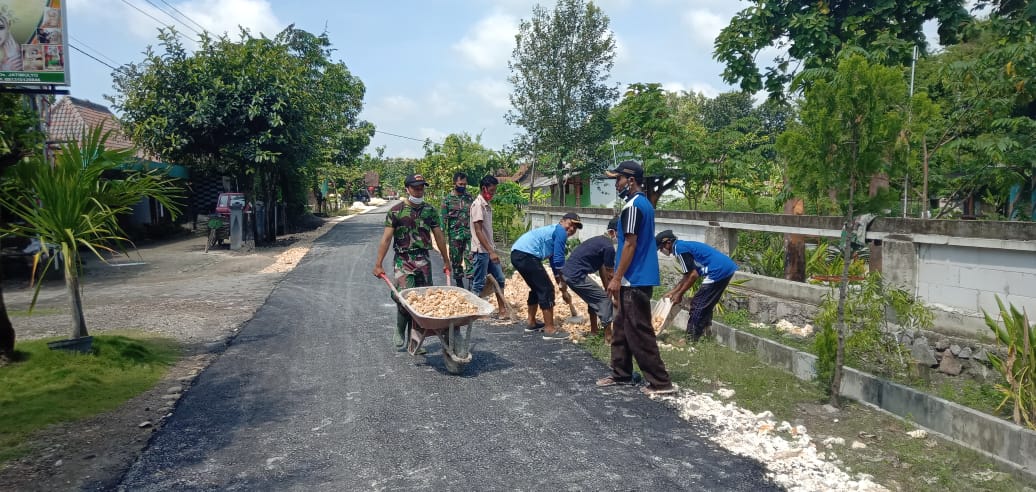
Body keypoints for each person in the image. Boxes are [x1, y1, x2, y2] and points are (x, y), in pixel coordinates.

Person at [596, 160, 677, 396]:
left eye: (618, 179)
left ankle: (660, 382)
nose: (616, 184)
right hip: (636, 277)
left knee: (639, 331)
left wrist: (616, 277)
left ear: (630, 180)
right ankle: (621, 373)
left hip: (635, 278)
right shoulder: (644, 205)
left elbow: (630, 244)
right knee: (621, 328)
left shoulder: (633, 207)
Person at [373, 174, 451, 351]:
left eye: (422, 187)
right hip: (403, 259)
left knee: (423, 299)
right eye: (416, 187)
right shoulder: (396, 211)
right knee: (404, 296)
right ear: (407, 189)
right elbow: (386, 239)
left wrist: (447, 261)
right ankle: (400, 329)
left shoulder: (430, 211)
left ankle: (415, 340)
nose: (419, 190)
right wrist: (378, 263)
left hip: (423, 259)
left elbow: (439, 236)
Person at [509, 212, 582, 340]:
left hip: (518, 254)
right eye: (570, 225)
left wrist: (560, 282)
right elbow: (559, 260)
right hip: (526, 255)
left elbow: (554, 263)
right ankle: (550, 329)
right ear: (562, 221)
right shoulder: (560, 231)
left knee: (537, 288)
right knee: (546, 288)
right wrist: (563, 281)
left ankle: (531, 323)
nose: (571, 229)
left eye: (574, 229)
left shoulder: (555, 232)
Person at [656, 230, 739, 342]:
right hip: (724, 268)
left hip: (717, 271)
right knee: (705, 304)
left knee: (698, 305)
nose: (661, 251)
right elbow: (687, 275)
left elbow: (693, 276)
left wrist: (679, 294)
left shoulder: (679, 249)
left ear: (668, 243)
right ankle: (705, 333)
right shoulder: (682, 246)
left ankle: (691, 339)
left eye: (661, 248)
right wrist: (673, 292)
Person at [559, 216, 618, 342]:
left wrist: (607, 288)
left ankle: (594, 331)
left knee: (595, 298)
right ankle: (608, 336)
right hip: (576, 275)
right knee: (604, 300)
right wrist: (616, 298)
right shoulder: (608, 247)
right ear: (613, 232)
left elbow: (602, 269)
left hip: (569, 274)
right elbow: (611, 275)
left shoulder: (600, 241)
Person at [468, 175, 509, 317]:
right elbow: (478, 231)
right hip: (481, 251)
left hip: (489, 250)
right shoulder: (477, 205)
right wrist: (491, 251)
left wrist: (492, 250)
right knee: (478, 283)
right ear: (484, 188)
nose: (493, 194)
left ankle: (502, 310)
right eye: (491, 191)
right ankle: (472, 312)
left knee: (500, 279)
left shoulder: (486, 205)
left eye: (494, 191)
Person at [440, 171, 474, 288]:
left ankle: (471, 287)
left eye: (465, 184)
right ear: (454, 183)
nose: (463, 186)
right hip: (455, 237)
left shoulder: (469, 198)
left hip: (469, 236)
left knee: (471, 260)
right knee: (456, 262)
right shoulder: (447, 200)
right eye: (460, 184)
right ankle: (460, 286)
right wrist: (441, 239)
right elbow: (443, 221)